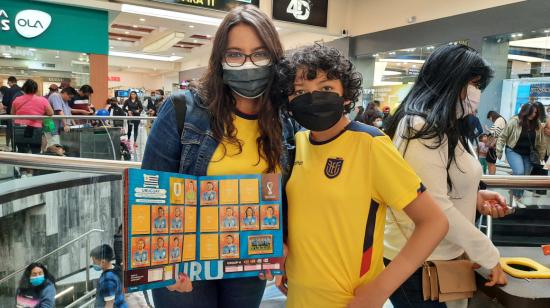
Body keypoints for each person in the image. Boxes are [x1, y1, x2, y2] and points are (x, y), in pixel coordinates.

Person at [142, 4, 296, 306]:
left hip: (251, 260)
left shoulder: (284, 121)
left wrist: (284, 240)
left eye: (260, 53)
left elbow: (284, 193)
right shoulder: (183, 110)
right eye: (235, 54)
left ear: (274, 58)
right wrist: (158, 264)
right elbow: (150, 191)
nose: (248, 64)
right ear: (220, 59)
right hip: (186, 263)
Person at [279, 44, 448, 308]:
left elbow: (434, 222)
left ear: (346, 95)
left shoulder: (371, 144)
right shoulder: (297, 143)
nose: (312, 99)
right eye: (300, 92)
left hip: (349, 301)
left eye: (325, 89)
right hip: (298, 297)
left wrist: (379, 291)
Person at [384, 44, 509, 307]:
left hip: (438, 258)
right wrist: (488, 253)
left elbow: (435, 187)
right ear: (450, 80)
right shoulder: (420, 128)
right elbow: (435, 207)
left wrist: (472, 196)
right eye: (473, 83)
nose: (477, 92)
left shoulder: (447, 125)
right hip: (419, 265)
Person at [497, 103, 545, 204]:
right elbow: (503, 136)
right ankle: (515, 197)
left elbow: (541, 142)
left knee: (525, 178)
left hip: (528, 154)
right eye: (531, 112)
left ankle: (517, 197)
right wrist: (499, 150)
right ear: (526, 111)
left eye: (535, 112)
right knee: (519, 172)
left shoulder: (538, 125)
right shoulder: (514, 121)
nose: (533, 114)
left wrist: (541, 155)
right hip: (513, 151)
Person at [11, 79, 54, 155]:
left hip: (19, 127)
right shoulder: (42, 100)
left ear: (24, 88)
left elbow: (12, 113)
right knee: (35, 151)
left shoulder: (17, 100)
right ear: (36, 89)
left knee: (22, 151)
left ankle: (23, 166)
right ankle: (34, 166)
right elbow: (50, 113)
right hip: (35, 128)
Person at [2, 76, 23, 148]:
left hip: (11, 113)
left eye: (8, 82)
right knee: (20, 130)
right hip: (22, 114)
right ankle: (20, 146)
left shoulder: (8, 90)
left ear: (10, 82)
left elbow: (5, 102)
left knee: (10, 130)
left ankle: (11, 146)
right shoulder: (22, 90)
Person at [486, 110, 506, 175]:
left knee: (491, 162)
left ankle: (491, 177)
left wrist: (487, 130)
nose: (490, 120)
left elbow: (495, 133)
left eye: (490, 118)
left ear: (492, 116)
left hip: (494, 144)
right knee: (490, 162)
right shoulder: (501, 120)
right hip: (496, 144)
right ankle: (491, 176)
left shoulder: (499, 120)